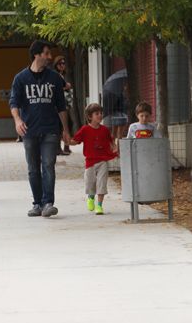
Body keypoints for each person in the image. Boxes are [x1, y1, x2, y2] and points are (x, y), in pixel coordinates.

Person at [9, 40, 70, 218]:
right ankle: (37, 203)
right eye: (46, 54)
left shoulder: (54, 78)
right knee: (33, 168)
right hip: (29, 131)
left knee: (48, 165)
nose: (50, 57)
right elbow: (14, 102)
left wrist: (65, 130)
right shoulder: (20, 78)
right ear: (36, 55)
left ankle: (48, 203)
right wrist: (17, 120)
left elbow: (61, 106)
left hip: (51, 129)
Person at [69, 103, 117, 215]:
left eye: (101, 113)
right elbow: (76, 141)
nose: (100, 115)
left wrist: (114, 148)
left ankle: (99, 206)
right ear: (90, 117)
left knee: (102, 183)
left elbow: (110, 142)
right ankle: (91, 197)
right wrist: (68, 140)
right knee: (90, 183)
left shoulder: (105, 130)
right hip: (90, 161)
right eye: (97, 114)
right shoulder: (85, 129)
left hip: (102, 161)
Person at [53, 55, 73, 155]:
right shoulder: (55, 75)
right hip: (58, 104)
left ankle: (66, 146)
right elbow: (54, 89)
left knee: (68, 124)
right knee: (60, 126)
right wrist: (66, 87)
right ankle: (59, 148)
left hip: (66, 103)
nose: (62, 65)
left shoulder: (63, 75)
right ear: (56, 65)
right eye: (60, 63)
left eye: (63, 63)